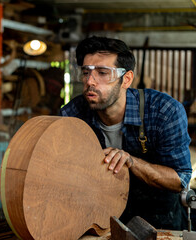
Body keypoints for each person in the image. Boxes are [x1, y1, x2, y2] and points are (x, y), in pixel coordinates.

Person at [60, 36, 192, 230]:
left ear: (126, 79)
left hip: (160, 224)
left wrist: (131, 162)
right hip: (97, 221)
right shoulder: (73, 115)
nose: (90, 81)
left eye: (103, 73)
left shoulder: (164, 111)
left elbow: (180, 180)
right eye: (86, 72)